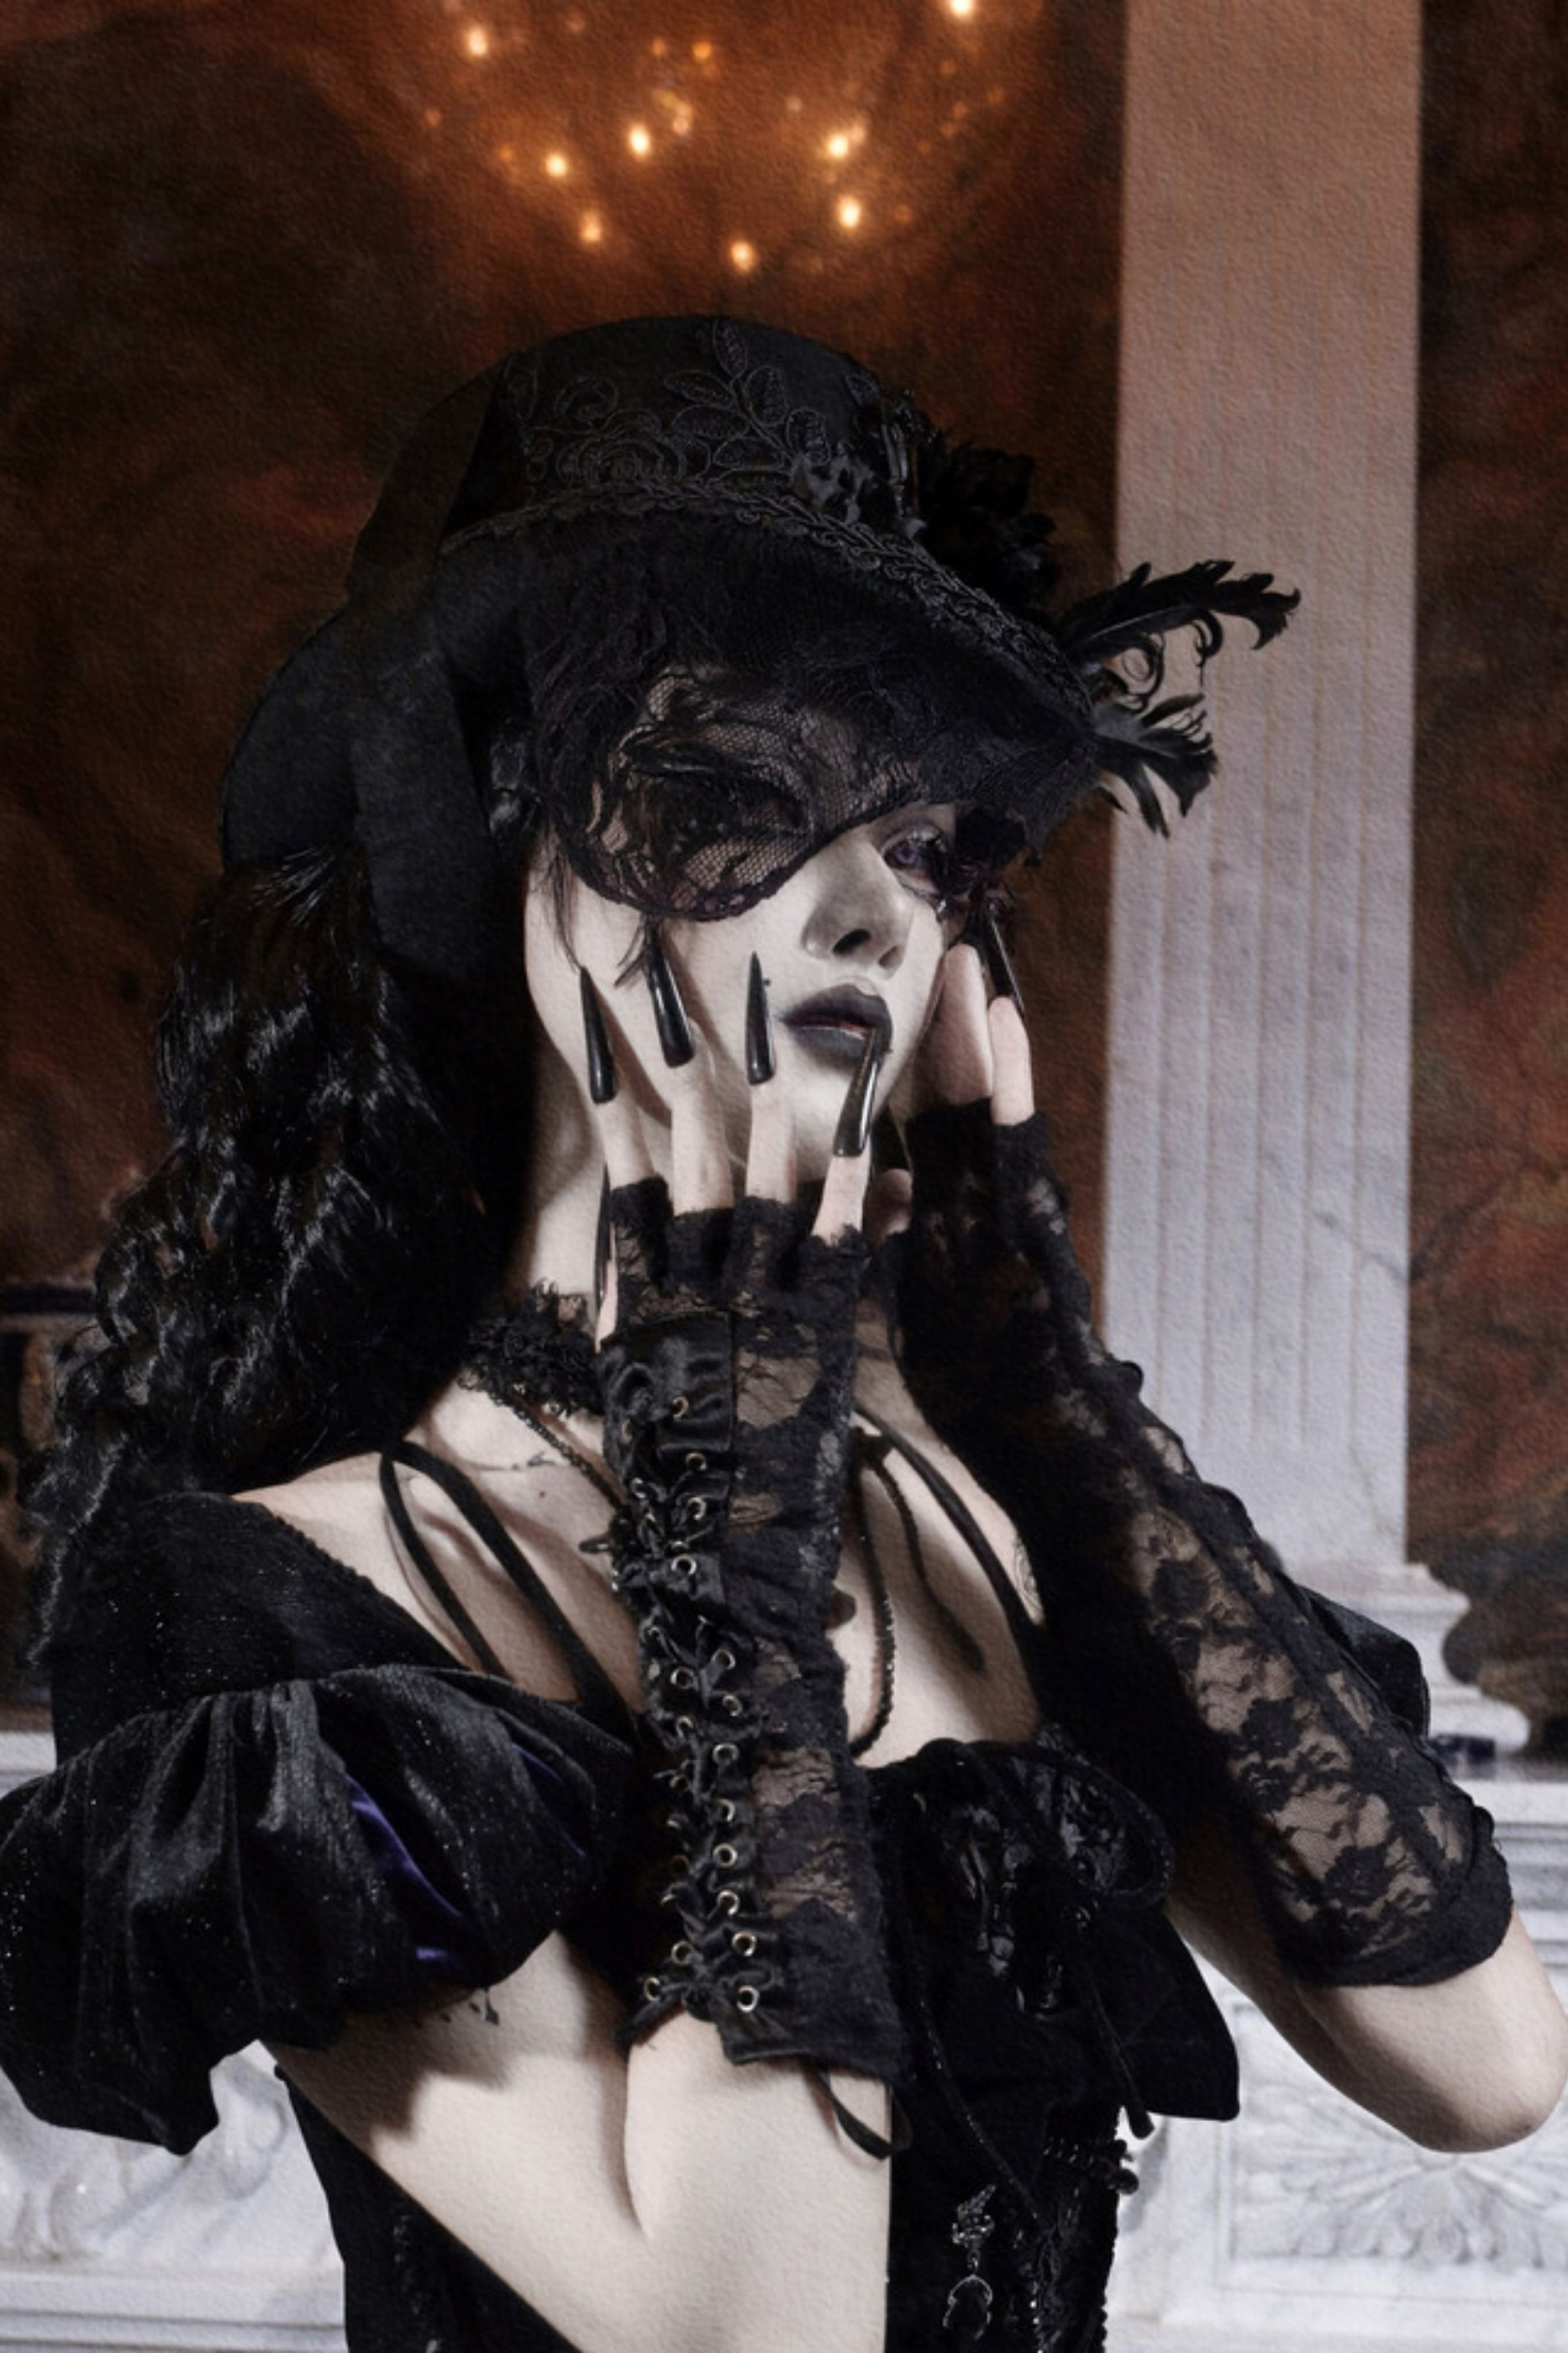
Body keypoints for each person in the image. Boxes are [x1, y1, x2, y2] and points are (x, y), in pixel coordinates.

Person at [2, 315, 1564, 2353]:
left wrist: (1047, 1393)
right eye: (742, 794)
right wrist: (727, 1512)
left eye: (920, 845)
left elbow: (1487, 2069)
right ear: (509, 863)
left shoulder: (975, 1520)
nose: (874, 913)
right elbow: (757, 2333)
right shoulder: (274, 1600)